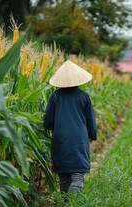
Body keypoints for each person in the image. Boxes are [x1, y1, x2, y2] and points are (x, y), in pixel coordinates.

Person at [43, 60, 97, 194]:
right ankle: (76, 193)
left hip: (60, 138)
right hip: (79, 137)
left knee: (64, 175)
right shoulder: (84, 97)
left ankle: (66, 201)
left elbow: (48, 121)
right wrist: (92, 135)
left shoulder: (55, 96)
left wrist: (50, 127)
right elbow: (90, 119)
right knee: (77, 174)